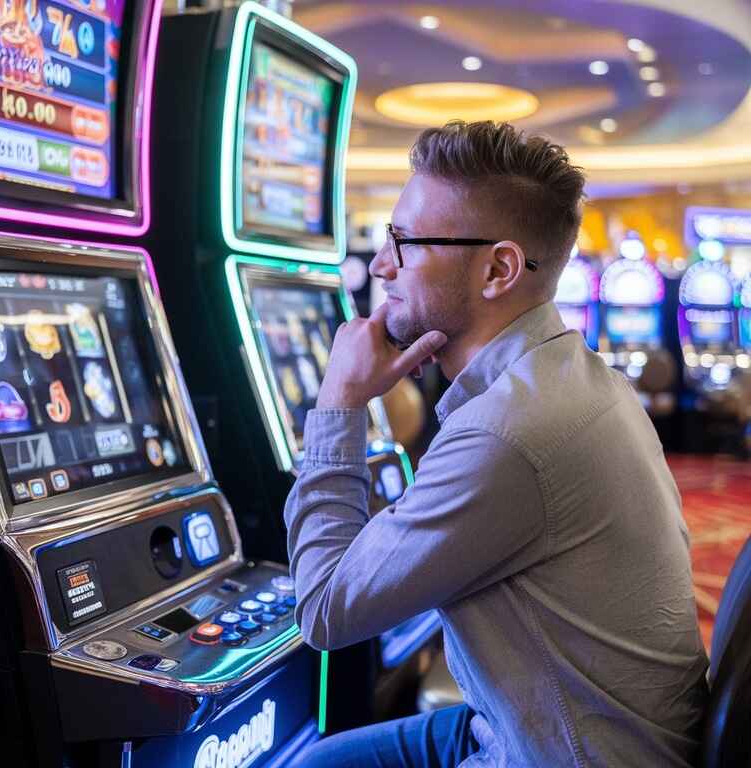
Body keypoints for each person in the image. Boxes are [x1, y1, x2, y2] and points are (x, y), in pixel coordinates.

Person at [284, 121, 708, 767]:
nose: (380, 264)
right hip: (549, 720)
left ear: (498, 268)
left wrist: (339, 402)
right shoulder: (574, 380)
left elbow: (324, 611)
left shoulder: (509, 430)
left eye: (405, 240)